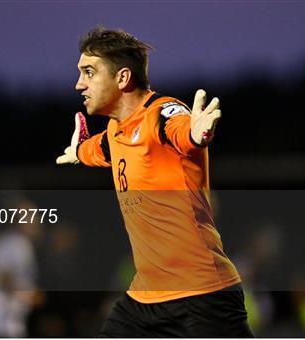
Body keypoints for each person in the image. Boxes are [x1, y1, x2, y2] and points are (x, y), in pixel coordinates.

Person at [56, 27, 253, 337]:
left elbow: (181, 132)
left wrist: (195, 133)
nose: (79, 84)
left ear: (122, 78)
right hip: (145, 299)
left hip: (202, 296)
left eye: (89, 72)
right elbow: (99, 149)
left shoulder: (160, 113)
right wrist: (79, 151)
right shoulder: (116, 131)